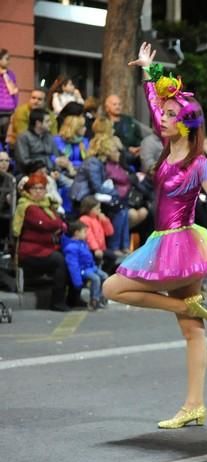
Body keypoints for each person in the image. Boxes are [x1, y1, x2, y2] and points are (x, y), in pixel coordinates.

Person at [102, 43, 207, 429]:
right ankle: (194, 404)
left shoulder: (199, 162)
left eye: (172, 116)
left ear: (186, 123)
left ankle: (192, 396)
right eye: (165, 115)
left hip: (183, 243)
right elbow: (157, 103)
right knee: (192, 329)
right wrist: (149, 72)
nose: (163, 119)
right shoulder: (166, 150)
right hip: (163, 241)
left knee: (111, 288)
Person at [12, 172, 70, 311]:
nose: (38, 191)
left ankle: (73, 298)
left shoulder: (45, 205)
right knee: (59, 261)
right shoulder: (28, 207)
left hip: (45, 249)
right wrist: (57, 224)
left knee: (71, 256)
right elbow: (48, 224)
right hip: (30, 252)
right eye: (34, 188)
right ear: (28, 190)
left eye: (41, 188)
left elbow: (61, 225)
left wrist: (58, 224)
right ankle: (57, 302)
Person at [62, 220, 107, 311]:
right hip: (83, 270)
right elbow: (73, 265)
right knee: (96, 279)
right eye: (84, 232)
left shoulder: (83, 244)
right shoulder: (71, 247)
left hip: (91, 267)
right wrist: (77, 281)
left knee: (105, 276)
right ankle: (94, 300)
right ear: (77, 233)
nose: (86, 234)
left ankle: (102, 297)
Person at [0, 49, 19, 142]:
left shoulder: (11, 74)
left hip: (8, 108)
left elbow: (14, 91)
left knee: (5, 131)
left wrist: (15, 104)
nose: (9, 62)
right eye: (6, 59)